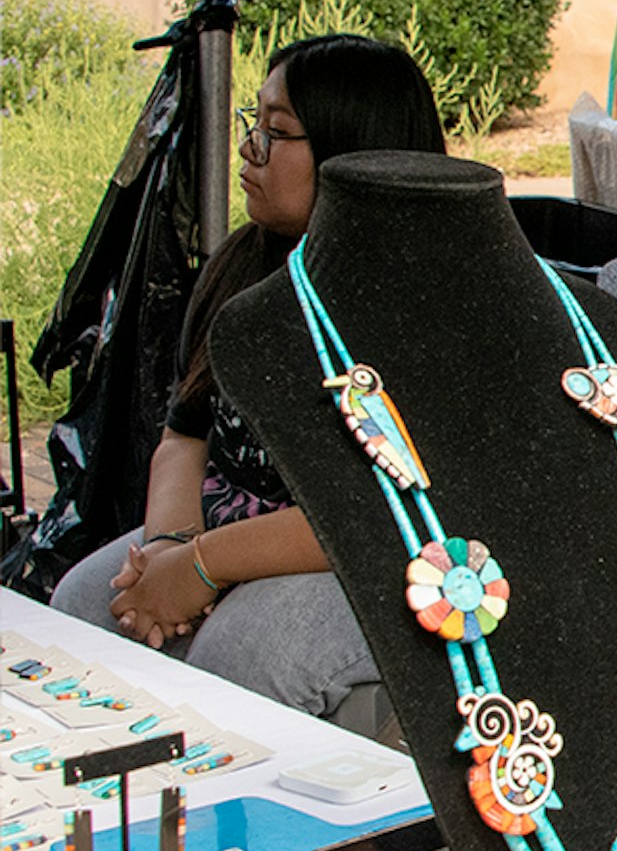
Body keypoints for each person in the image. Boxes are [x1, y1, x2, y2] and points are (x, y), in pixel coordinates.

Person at [49, 35, 445, 731]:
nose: (249, 150)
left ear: (353, 155)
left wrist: (203, 567)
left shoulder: (422, 303)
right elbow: (184, 433)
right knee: (82, 609)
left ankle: (279, 837)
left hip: (371, 556)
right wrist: (170, 547)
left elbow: (374, 512)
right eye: (253, 125)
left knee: (241, 657)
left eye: (279, 132)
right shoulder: (244, 264)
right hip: (227, 527)